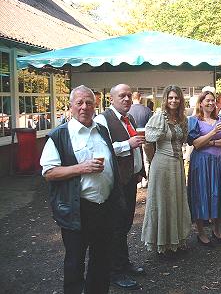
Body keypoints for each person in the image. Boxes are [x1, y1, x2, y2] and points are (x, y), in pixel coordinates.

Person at [40, 85, 122, 294]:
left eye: (89, 103)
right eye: (79, 103)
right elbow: (49, 172)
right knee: (75, 262)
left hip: (104, 207)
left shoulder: (102, 130)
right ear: (71, 106)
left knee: (101, 259)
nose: (84, 107)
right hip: (78, 209)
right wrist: (80, 168)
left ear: (95, 106)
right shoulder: (59, 135)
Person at [94, 84, 146, 289]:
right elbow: (102, 150)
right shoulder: (102, 120)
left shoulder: (130, 118)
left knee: (124, 225)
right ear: (111, 99)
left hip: (129, 179)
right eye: (121, 96)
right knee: (115, 226)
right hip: (115, 182)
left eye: (128, 96)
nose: (126, 99)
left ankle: (124, 263)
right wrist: (129, 144)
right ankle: (114, 272)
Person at [141, 85, 192, 253]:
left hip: (177, 164)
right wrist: (153, 160)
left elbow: (183, 140)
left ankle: (175, 240)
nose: (173, 101)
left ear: (180, 100)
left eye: (176, 98)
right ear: (165, 99)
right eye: (170, 98)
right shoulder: (159, 117)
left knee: (175, 199)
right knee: (161, 200)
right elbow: (148, 142)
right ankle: (161, 241)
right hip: (161, 164)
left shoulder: (182, 119)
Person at [187, 89, 221, 246]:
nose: (210, 103)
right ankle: (200, 232)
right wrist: (214, 132)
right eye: (207, 100)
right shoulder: (194, 120)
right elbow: (196, 143)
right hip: (201, 163)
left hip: (219, 161)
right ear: (200, 103)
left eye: (212, 100)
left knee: (218, 193)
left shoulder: (220, 118)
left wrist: (211, 142)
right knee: (201, 194)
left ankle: (216, 229)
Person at [127, 91, 154, 187]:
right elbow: (151, 126)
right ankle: (146, 180)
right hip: (146, 138)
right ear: (140, 98)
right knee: (147, 160)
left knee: (137, 159)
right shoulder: (147, 110)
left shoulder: (128, 111)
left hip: (133, 139)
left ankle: (138, 180)